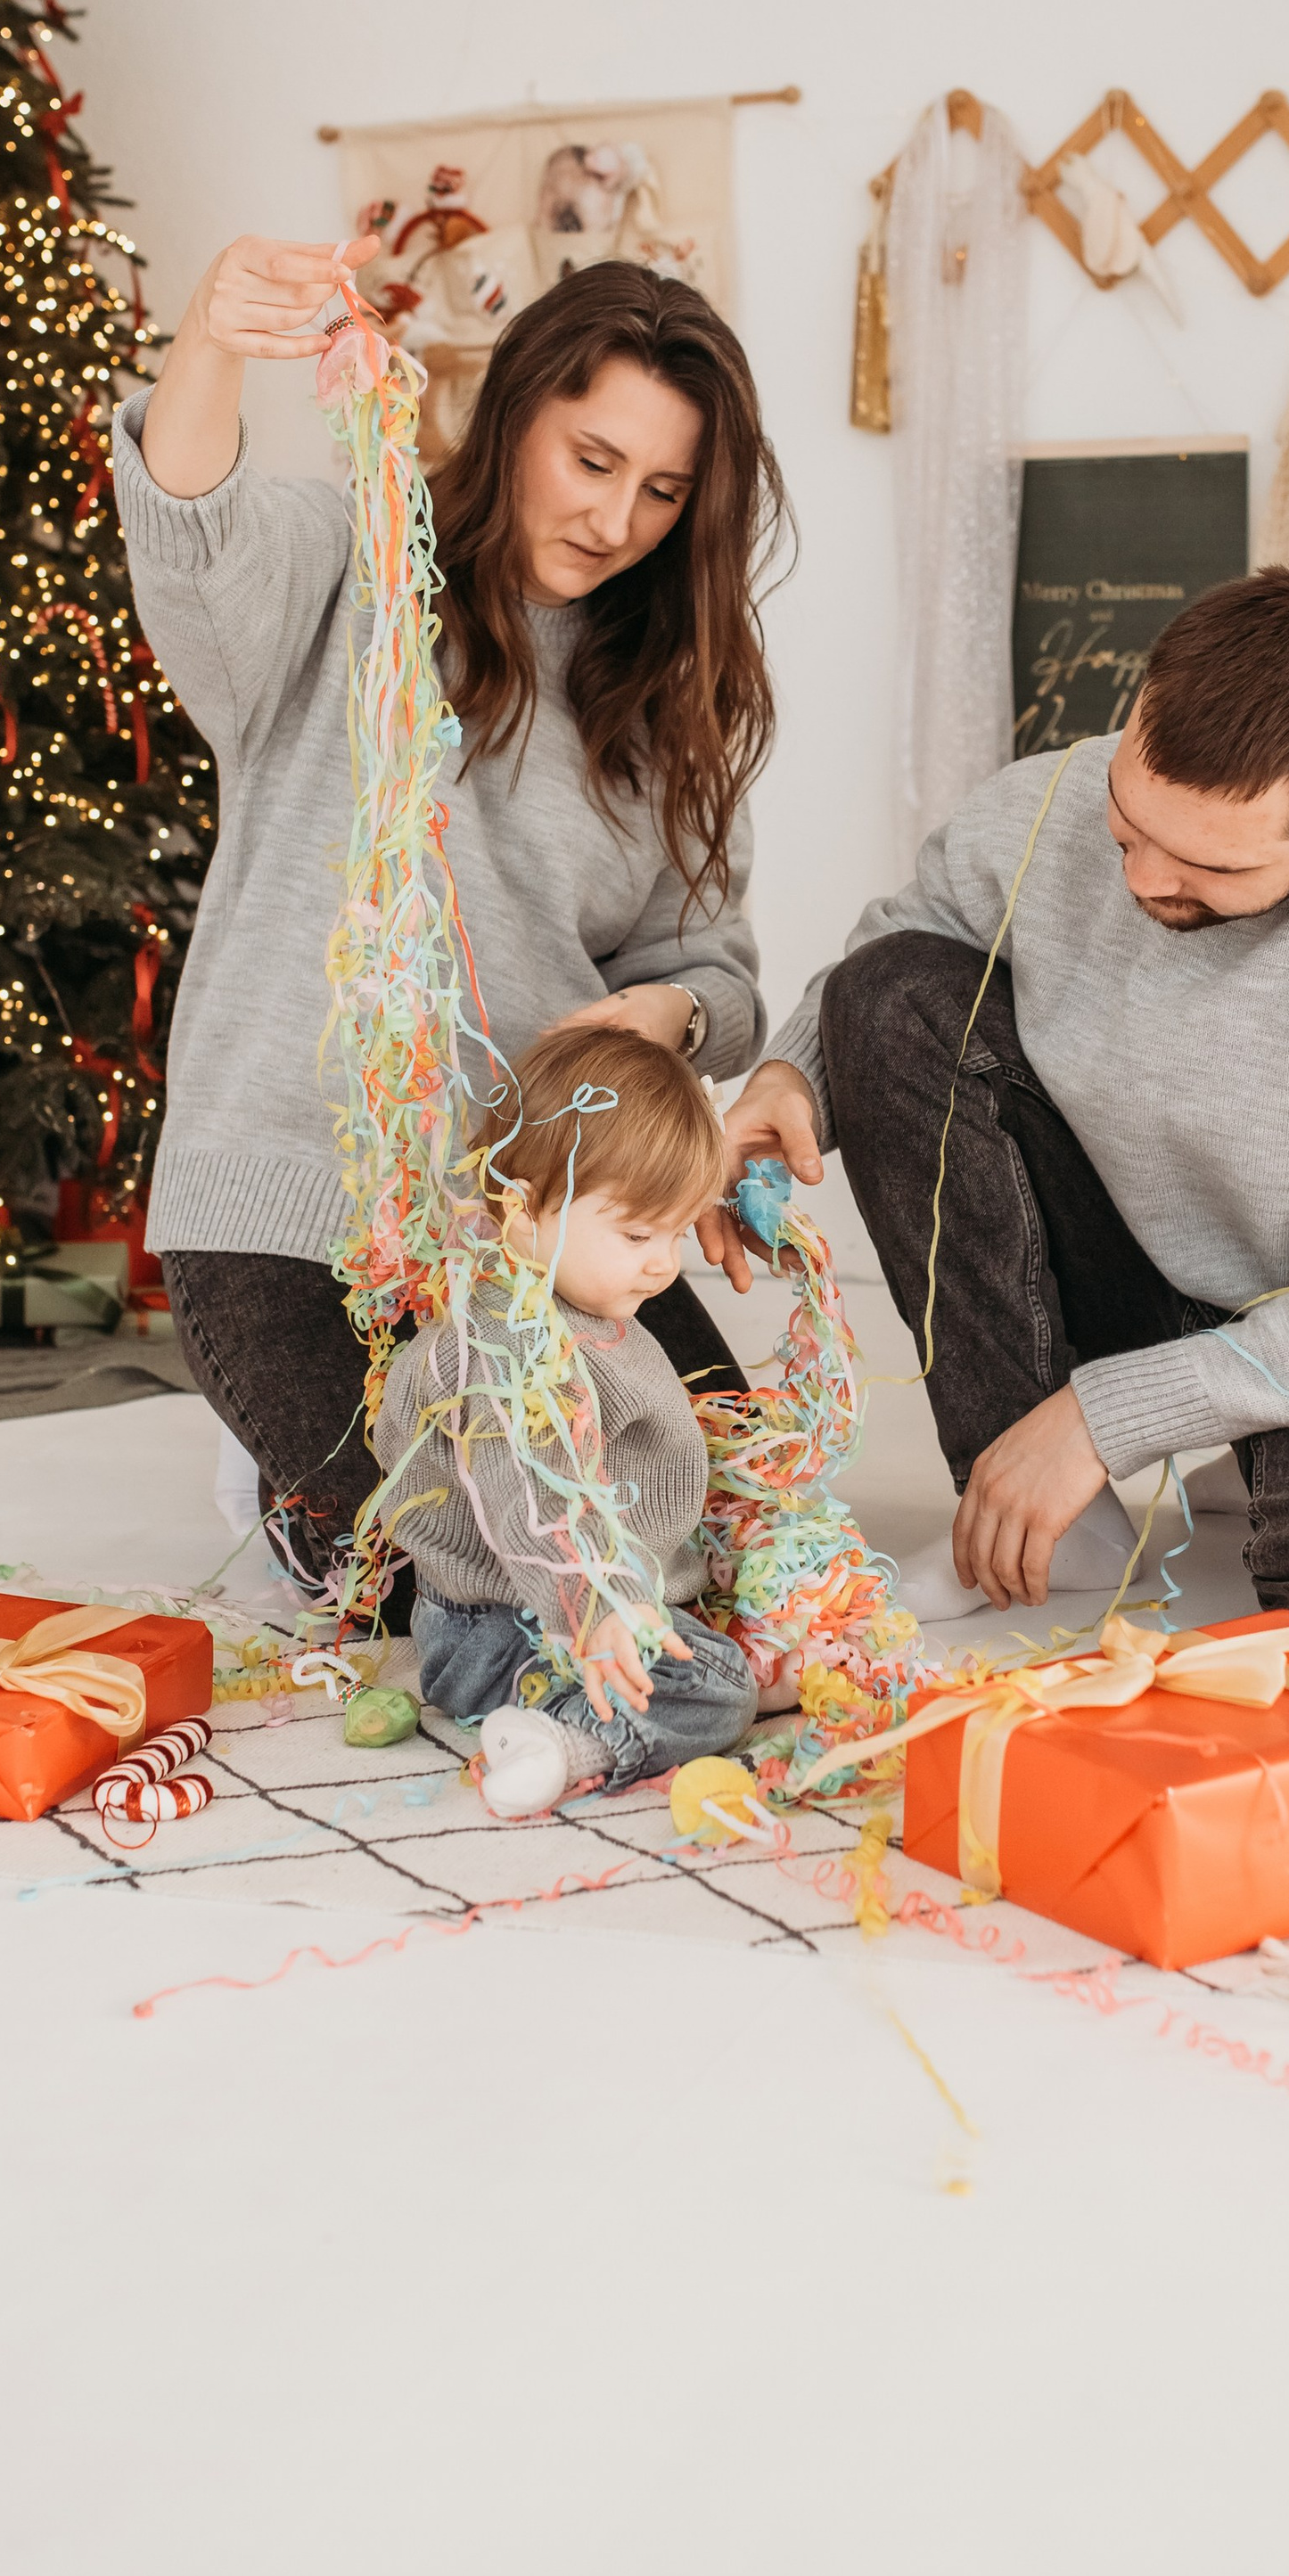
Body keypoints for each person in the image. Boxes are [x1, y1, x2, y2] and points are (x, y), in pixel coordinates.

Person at [706, 569, 1289, 1660]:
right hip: (1135, 1266)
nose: (1141, 877)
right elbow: (909, 938)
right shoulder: (1061, 795)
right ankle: (1047, 1521)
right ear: (1137, 714)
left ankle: (1250, 1459)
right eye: (1130, 824)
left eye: (1207, 865)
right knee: (887, 995)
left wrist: (1110, 1416)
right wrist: (788, 1079)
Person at [117, 243, 789, 1609]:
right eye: (591, 461)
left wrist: (663, 1017)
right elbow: (191, 525)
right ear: (518, 411)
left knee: (730, 1551)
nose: (618, 520)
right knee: (475, 1592)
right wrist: (208, 343)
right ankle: (289, 1491)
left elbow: (712, 970)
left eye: (662, 491)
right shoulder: (347, 565)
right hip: (294, 1203)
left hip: (542, 1212)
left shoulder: (667, 703)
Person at [371, 1023, 758, 1817]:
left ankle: (632, 1674)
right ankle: (568, 1739)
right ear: (521, 1215)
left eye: (678, 1232)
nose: (665, 1262)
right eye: (638, 1233)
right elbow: (532, 1499)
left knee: (724, 1644)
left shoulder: (583, 1306)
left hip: (570, 1602)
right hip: (505, 1626)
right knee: (721, 1692)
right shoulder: (508, 1348)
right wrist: (598, 1607)